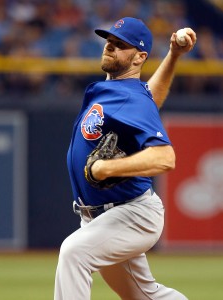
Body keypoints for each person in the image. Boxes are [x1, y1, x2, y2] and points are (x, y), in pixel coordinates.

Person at [54, 17, 196, 300]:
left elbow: (165, 158)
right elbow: (150, 96)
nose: (110, 46)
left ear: (139, 57)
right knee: (145, 295)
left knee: (74, 253)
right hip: (101, 217)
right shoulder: (125, 92)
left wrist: (107, 167)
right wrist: (173, 56)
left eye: (120, 45)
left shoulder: (128, 97)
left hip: (132, 213)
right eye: (109, 41)